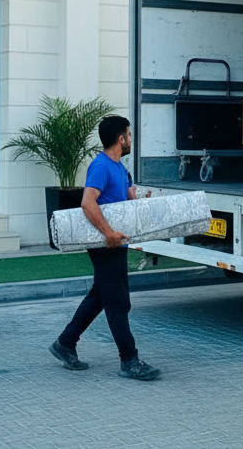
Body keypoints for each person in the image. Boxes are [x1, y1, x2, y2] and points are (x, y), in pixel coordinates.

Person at [49, 115, 161, 381]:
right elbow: (88, 202)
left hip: (116, 241)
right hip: (105, 243)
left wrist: (139, 201)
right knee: (118, 302)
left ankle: (65, 343)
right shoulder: (100, 166)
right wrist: (108, 233)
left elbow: (125, 202)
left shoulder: (120, 168)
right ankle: (129, 361)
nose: (131, 139)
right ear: (121, 138)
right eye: (129, 135)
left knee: (100, 295)